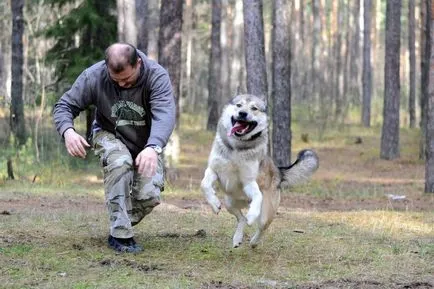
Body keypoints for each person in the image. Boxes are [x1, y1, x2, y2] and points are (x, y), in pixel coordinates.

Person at [53, 43, 176, 253]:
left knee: (149, 195)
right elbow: (65, 105)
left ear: (138, 63)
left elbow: (165, 114)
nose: (123, 85)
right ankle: (120, 235)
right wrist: (68, 131)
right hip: (108, 133)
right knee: (120, 162)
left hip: (146, 143)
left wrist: (153, 146)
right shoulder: (94, 76)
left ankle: (120, 220)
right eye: (116, 81)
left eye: (127, 80)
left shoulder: (156, 76)